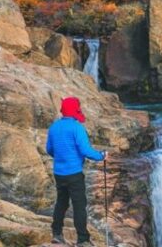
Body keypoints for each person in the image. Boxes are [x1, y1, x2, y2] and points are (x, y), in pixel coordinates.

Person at [46, 97, 106, 246]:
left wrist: (61, 157)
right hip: (74, 174)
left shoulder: (54, 127)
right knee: (79, 205)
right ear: (76, 110)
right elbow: (85, 150)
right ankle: (82, 239)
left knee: (61, 203)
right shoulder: (77, 127)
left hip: (59, 173)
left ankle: (57, 233)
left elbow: (49, 149)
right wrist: (101, 156)